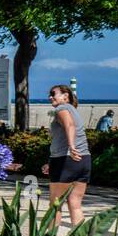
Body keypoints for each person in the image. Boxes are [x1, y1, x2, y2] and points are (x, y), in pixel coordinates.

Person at [42, 83, 91, 226]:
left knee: (55, 205)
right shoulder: (73, 110)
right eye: (49, 94)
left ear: (65, 96)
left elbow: (69, 125)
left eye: (53, 93)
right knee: (75, 205)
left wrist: (71, 146)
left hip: (66, 160)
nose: (50, 97)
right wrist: (50, 163)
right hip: (83, 160)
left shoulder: (61, 108)